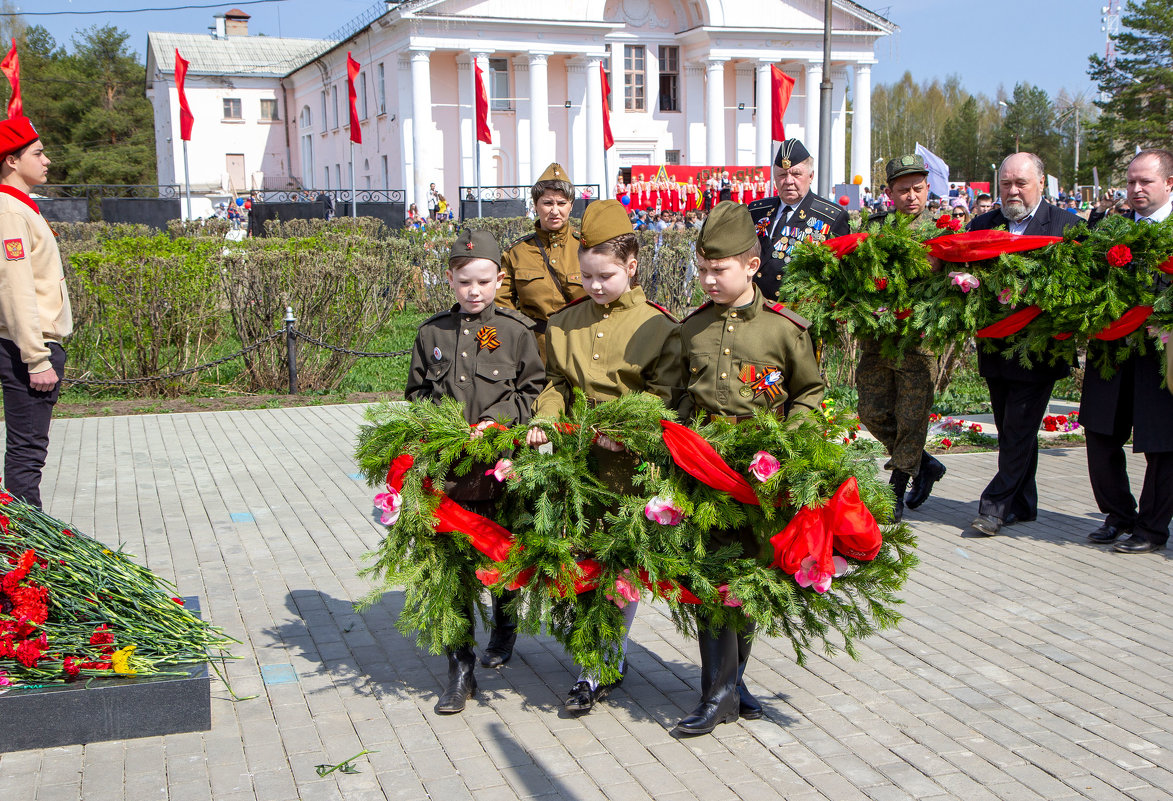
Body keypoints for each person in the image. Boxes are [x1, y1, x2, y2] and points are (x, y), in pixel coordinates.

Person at [525, 199, 682, 713]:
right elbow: (554, 384)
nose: (594, 286)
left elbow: (666, 396)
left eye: (606, 276)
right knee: (581, 566)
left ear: (632, 266)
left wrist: (629, 429)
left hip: (631, 469)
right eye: (586, 275)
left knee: (620, 568)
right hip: (577, 468)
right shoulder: (563, 323)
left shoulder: (659, 327)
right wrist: (545, 420)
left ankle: (598, 667)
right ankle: (600, 657)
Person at [675, 202, 824, 736]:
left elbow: (810, 392)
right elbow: (679, 401)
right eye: (702, 268)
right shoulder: (692, 329)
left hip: (761, 474)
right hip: (705, 469)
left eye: (719, 269)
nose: (708, 278)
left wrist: (786, 443)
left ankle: (733, 681)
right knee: (714, 577)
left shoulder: (785, 331)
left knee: (750, 577)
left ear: (752, 266)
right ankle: (716, 694)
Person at [404, 228, 544, 713]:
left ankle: (504, 629)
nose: (475, 291)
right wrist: (441, 426)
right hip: (447, 476)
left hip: (497, 472)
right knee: (449, 573)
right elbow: (417, 395)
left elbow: (533, 392)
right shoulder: (433, 333)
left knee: (499, 561)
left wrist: (498, 422)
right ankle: (459, 670)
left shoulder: (514, 331)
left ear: (499, 278)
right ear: (450, 279)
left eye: (484, 280)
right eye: (465, 282)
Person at [966, 152, 1082, 537]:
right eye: (1005, 184)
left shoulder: (1067, 228)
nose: (1012, 191)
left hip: (1039, 351)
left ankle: (995, 507)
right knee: (1011, 427)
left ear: (1042, 185)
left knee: (1018, 427)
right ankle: (1024, 504)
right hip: (996, 349)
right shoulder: (983, 224)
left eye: (1021, 183)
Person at [1082, 148, 1173, 554]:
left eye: (1146, 182)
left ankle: (1152, 529)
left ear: (1169, 183)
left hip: (1162, 354)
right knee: (1100, 432)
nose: (1135, 189)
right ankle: (1118, 514)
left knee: (1162, 444)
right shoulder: (1108, 227)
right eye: (1131, 181)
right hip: (1111, 349)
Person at [856, 155, 946, 522]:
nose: (911, 196)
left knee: (911, 416)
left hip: (919, 339)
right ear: (890, 192)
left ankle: (896, 487)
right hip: (878, 337)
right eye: (903, 189)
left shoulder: (942, 229)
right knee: (871, 411)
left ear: (927, 188)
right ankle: (924, 464)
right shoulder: (876, 228)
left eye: (918, 189)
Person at [0, 117, 73, 508]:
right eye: (38, 153)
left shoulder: (20, 207)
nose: (47, 161)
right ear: (12, 160)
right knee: (27, 453)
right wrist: (36, 357)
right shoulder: (10, 212)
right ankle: (26, 552)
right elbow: (15, 290)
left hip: (27, 346)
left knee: (28, 450)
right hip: (25, 349)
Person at [498, 163, 586, 364]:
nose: (555, 211)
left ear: (571, 205)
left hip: (582, 346)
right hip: (535, 352)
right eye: (547, 203)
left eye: (561, 203)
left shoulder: (587, 247)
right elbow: (501, 302)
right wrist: (520, 337)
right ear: (536, 205)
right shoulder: (517, 252)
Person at [748, 138, 851, 302]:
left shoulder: (831, 216)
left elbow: (840, 276)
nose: (788, 181)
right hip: (756, 308)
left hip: (798, 313)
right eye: (782, 175)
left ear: (811, 176)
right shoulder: (756, 210)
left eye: (796, 174)